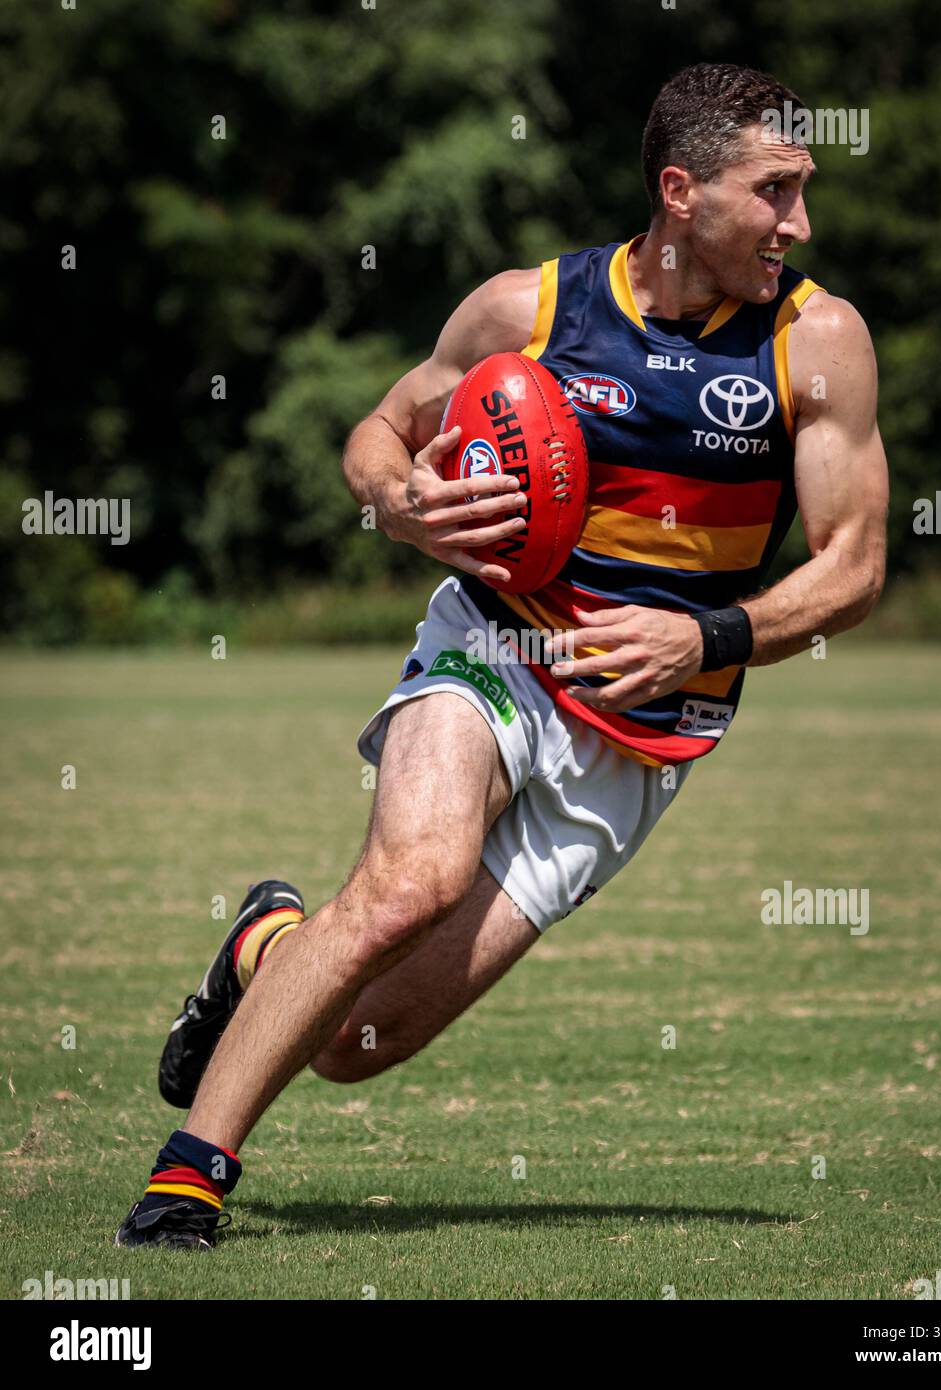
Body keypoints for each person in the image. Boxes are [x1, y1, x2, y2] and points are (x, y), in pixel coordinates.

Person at [115, 62, 888, 1250]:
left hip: (644, 732)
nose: (798, 223)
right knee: (409, 882)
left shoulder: (815, 341)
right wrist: (401, 503)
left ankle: (265, 944)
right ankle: (188, 1178)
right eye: (774, 191)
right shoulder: (526, 311)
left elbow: (851, 565)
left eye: (803, 191)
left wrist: (703, 633)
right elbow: (381, 431)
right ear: (680, 192)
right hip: (496, 642)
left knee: (355, 1045)